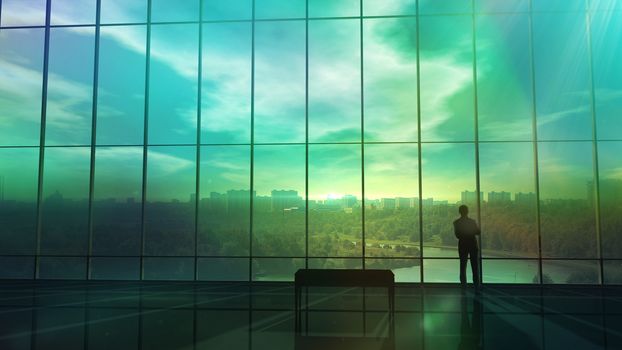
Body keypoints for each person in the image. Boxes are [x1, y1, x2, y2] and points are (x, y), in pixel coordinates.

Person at [453, 205, 480, 287]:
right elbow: (478, 232)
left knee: (462, 266)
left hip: (462, 245)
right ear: (467, 211)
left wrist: (464, 234)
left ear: (459, 212)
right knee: (475, 266)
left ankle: (463, 286)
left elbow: (457, 235)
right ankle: (476, 285)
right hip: (472, 244)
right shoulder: (472, 222)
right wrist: (471, 232)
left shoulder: (456, 223)